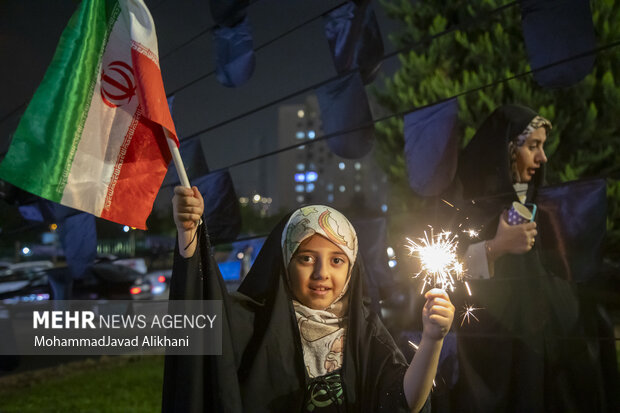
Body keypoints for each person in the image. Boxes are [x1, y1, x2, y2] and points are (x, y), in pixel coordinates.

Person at [166, 186, 455, 412]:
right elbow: (198, 311)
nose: (321, 273)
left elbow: (405, 401)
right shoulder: (250, 323)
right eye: (305, 258)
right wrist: (189, 232)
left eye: (337, 260)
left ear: (352, 269)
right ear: (284, 262)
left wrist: (432, 338)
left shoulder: (364, 332)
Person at [451, 104, 606, 412]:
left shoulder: (543, 204)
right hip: (501, 352)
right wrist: (496, 247)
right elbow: (448, 269)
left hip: (555, 353)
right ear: (507, 149)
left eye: (542, 146)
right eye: (533, 146)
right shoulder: (471, 208)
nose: (542, 157)